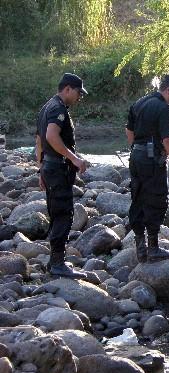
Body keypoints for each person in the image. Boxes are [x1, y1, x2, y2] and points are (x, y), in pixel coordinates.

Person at [35, 73, 88, 279]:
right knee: (63, 213)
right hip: (58, 169)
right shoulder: (57, 109)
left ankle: (55, 261)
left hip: (50, 167)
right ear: (67, 89)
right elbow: (50, 136)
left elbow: (39, 142)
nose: (79, 97)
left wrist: (41, 169)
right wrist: (74, 158)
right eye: (78, 93)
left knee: (56, 212)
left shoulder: (46, 107)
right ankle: (57, 263)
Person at [126, 74, 169, 263]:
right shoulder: (162, 108)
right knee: (156, 199)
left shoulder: (140, 103)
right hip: (151, 160)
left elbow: (129, 129)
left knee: (138, 198)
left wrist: (136, 149)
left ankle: (140, 248)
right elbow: (167, 138)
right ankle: (153, 248)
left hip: (136, 156)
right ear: (168, 90)